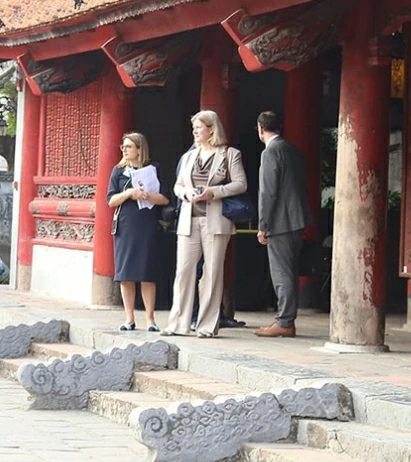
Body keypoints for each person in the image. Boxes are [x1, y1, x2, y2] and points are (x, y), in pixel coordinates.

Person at [163, 110, 247, 339]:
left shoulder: (230, 155)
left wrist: (213, 192)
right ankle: (178, 323)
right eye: (194, 127)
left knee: (211, 273)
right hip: (189, 220)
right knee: (183, 271)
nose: (195, 131)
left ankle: (207, 325)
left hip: (216, 221)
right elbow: (177, 186)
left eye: (199, 127)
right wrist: (186, 194)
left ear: (212, 129)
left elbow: (241, 184)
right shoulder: (189, 156)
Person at [254, 111, 311, 339]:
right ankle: (286, 318)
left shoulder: (271, 152)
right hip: (296, 218)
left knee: (282, 272)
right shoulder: (292, 150)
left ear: (260, 128)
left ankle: (285, 321)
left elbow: (268, 191)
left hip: (280, 221)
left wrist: (263, 224)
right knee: (290, 270)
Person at [107, 133, 170, 332]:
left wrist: (147, 195)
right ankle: (129, 318)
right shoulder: (118, 171)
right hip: (126, 224)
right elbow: (110, 200)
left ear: (139, 149)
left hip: (147, 223)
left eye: (129, 146)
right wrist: (129, 193)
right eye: (123, 146)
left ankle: (150, 319)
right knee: (126, 273)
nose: (125, 150)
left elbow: (166, 199)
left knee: (147, 272)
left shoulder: (154, 169)